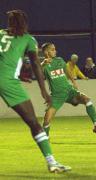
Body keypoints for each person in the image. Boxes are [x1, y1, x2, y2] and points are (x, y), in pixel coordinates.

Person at [0, 10, 71, 173]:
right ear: (24, 23)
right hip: (7, 82)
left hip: (7, 78)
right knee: (33, 123)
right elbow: (36, 65)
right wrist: (44, 91)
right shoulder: (28, 39)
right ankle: (51, 162)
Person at [41, 43, 96, 138]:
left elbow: (67, 71)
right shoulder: (44, 65)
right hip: (57, 95)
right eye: (52, 49)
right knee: (47, 120)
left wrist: (73, 81)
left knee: (87, 100)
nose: (55, 51)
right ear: (46, 52)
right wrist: (42, 64)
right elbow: (37, 71)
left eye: (55, 49)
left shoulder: (59, 60)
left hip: (69, 90)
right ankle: (45, 138)